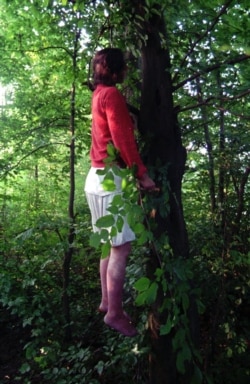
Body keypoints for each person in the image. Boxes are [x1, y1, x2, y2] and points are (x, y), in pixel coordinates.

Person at [84, 48, 155, 337]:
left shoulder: (99, 93)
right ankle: (114, 313)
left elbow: (114, 131)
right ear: (116, 71)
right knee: (120, 248)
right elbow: (122, 138)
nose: (127, 70)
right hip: (111, 180)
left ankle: (106, 302)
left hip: (96, 178)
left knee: (108, 245)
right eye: (124, 67)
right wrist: (143, 175)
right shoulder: (112, 96)